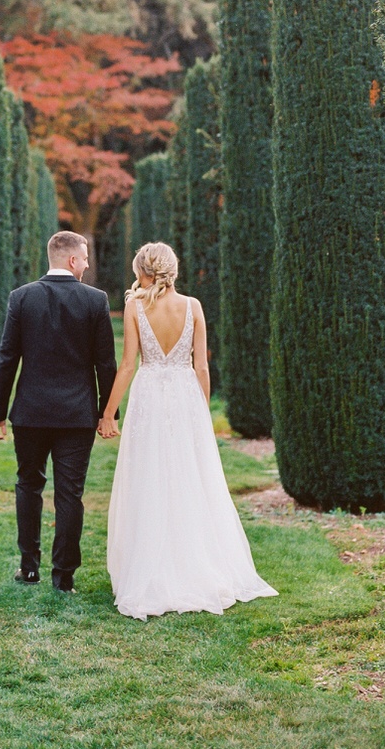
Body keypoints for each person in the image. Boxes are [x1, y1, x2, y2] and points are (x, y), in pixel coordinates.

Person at [99, 241, 278, 620]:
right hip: (185, 398)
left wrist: (108, 412)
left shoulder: (135, 306)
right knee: (190, 476)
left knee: (148, 476)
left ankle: (151, 567)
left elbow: (128, 364)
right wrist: (202, 410)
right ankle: (197, 563)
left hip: (149, 396)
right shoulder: (193, 306)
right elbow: (202, 367)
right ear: (172, 270)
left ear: (143, 272)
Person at [0, 230, 116, 593]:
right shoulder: (95, 300)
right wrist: (108, 413)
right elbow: (105, 363)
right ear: (72, 260)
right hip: (77, 415)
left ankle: (29, 568)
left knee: (28, 485)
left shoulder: (21, 298)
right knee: (69, 494)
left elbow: (7, 357)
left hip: (29, 413)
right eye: (86, 256)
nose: (88, 263)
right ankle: (64, 578)